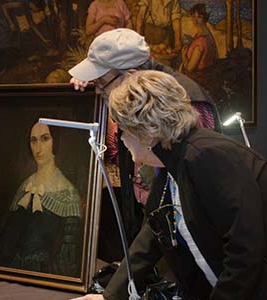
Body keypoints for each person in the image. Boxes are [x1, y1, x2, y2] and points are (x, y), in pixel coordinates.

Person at [73, 70, 267, 299]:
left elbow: (246, 251)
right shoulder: (171, 165)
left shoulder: (207, 156)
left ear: (145, 131)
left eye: (123, 130)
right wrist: (109, 296)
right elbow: (150, 239)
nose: (121, 139)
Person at [68, 28, 221, 262]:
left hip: (189, 232)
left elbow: (189, 186)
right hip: (152, 220)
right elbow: (114, 151)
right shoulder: (131, 94)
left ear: (129, 75)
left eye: (102, 83)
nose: (100, 91)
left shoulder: (188, 104)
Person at [0, 122, 82, 276]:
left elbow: (69, 259)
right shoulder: (24, 186)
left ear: (56, 142)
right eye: (33, 140)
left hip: (46, 276)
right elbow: (7, 239)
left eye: (45, 139)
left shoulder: (68, 193)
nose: (38, 148)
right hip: (13, 272)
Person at [179, 4, 218, 80]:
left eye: (199, 17)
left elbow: (189, 69)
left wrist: (184, 56)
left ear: (204, 18)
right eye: (193, 16)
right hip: (206, 75)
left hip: (196, 79)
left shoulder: (200, 42)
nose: (195, 20)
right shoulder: (207, 35)